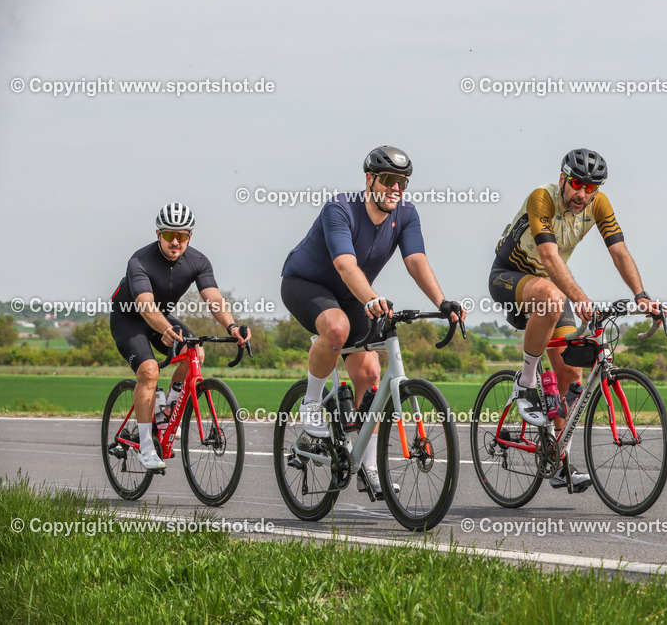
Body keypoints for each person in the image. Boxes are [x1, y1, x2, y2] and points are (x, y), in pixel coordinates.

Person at [280, 146, 465, 501]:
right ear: (370, 180)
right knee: (336, 329)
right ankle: (312, 403)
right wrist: (372, 299)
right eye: (391, 181)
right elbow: (346, 265)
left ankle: (366, 464)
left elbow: (416, 260)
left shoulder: (406, 215)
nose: (397, 189)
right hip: (306, 283)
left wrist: (441, 302)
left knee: (369, 374)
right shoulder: (340, 208)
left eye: (403, 183)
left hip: (354, 294)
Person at [489, 148, 664, 491]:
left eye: (591, 187)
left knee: (570, 375)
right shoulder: (542, 199)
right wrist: (581, 299)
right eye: (576, 184)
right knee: (554, 297)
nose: (582, 194)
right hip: (510, 277)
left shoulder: (598, 204)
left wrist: (641, 295)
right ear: (562, 180)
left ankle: (557, 457)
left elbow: (619, 251)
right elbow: (549, 256)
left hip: (550, 288)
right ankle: (524, 383)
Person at [110, 202, 250, 470]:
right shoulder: (139, 261)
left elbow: (214, 300)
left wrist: (232, 327)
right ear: (158, 234)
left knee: (195, 352)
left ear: (190, 237)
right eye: (169, 235)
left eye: (182, 236)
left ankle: (166, 410)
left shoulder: (198, 261)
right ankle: (146, 446)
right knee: (149, 371)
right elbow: (145, 306)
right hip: (129, 318)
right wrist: (164, 330)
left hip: (160, 318)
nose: (175, 242)